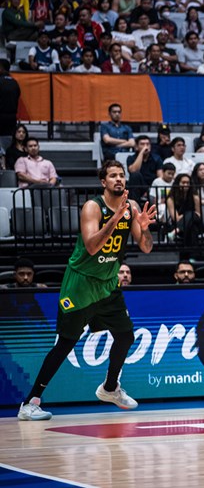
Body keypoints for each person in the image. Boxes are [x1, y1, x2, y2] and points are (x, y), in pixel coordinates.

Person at [17, 160, 156, 421]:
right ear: (103, 182)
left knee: (125, 336)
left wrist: (145, 229)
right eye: (113, 175)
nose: (119, 179)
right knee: (65, 343)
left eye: (121, 175)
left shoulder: (132, 207)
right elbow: (92, 247)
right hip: (81, 284)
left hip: (108, 283)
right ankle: (30, 402)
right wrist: (114, 220)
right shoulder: (93, 207)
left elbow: (146, 248)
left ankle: (110, 388)